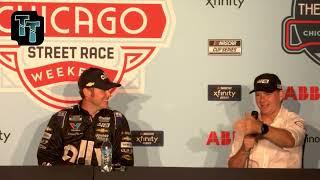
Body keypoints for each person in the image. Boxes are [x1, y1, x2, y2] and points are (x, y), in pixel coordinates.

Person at [37, 67, 134, 166]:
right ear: (87, 92)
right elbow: (46, 158)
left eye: (108, 90)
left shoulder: (117, 119)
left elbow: (126, 162)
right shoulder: (62, 118)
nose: (109, 94)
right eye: (103, 90)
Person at [228, 73, 305, 168]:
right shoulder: (248, 123)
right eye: (258, 95)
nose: (262, 99)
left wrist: (261, 128)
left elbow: (290, 140)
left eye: (267, 94)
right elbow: (232, 168)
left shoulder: (293, 119)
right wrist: (244, 149)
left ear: (281, 95)